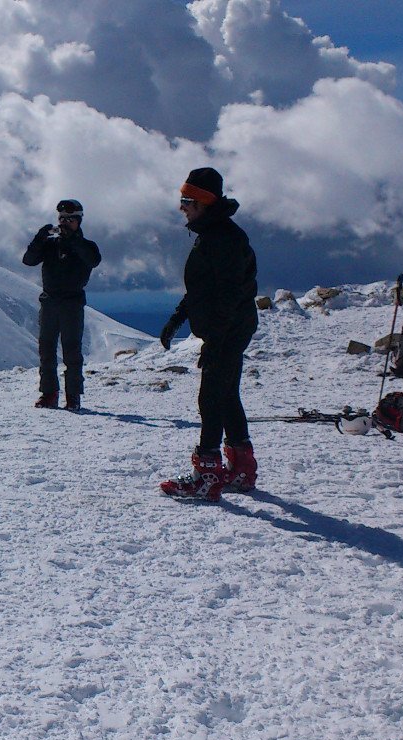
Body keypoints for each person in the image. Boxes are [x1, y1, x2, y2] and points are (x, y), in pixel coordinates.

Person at [158, 167, 259, 501]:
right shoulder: (213, 234)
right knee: (226, 393)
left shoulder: (224, 239)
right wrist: (177, 319)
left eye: (187, 200)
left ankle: (207, 475)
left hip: (229, 328)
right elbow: (203, 289)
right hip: (231, 326)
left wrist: (216, 338)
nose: (182, 207)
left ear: (204, 202)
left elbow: (229, 294)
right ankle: (241, 469)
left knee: (211, 397)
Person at [22, 198, 102, 410]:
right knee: (46, 349)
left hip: (72, 303)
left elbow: (93, 260)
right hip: (49, 301)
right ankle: (49, 393)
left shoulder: (87, 246)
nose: (65, 223)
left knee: (72, 350)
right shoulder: (49, 245)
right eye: (62, 219)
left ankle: (73, 395)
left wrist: (73, 240)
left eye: (70, 219)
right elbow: (28, 260)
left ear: (79, 221)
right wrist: (39, 239)